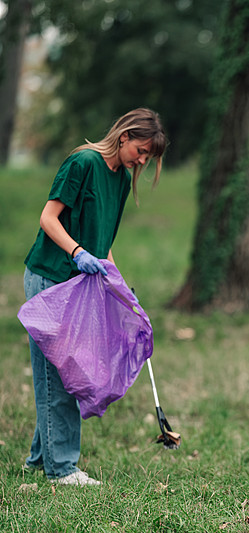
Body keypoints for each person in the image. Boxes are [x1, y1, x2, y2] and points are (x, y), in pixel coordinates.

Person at [22, 108, 167, 486]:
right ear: (124, 137)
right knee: (61, 373)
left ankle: (40, 458)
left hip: (82, 286)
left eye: (148, 157)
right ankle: (62, 468)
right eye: (141, 150)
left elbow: (103, 242)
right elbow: (48, 218)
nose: (142, 160)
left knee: (63, 371)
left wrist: (116, 283)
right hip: (52, 280)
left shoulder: (120, 179)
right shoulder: (83, 162)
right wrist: (77, 252)